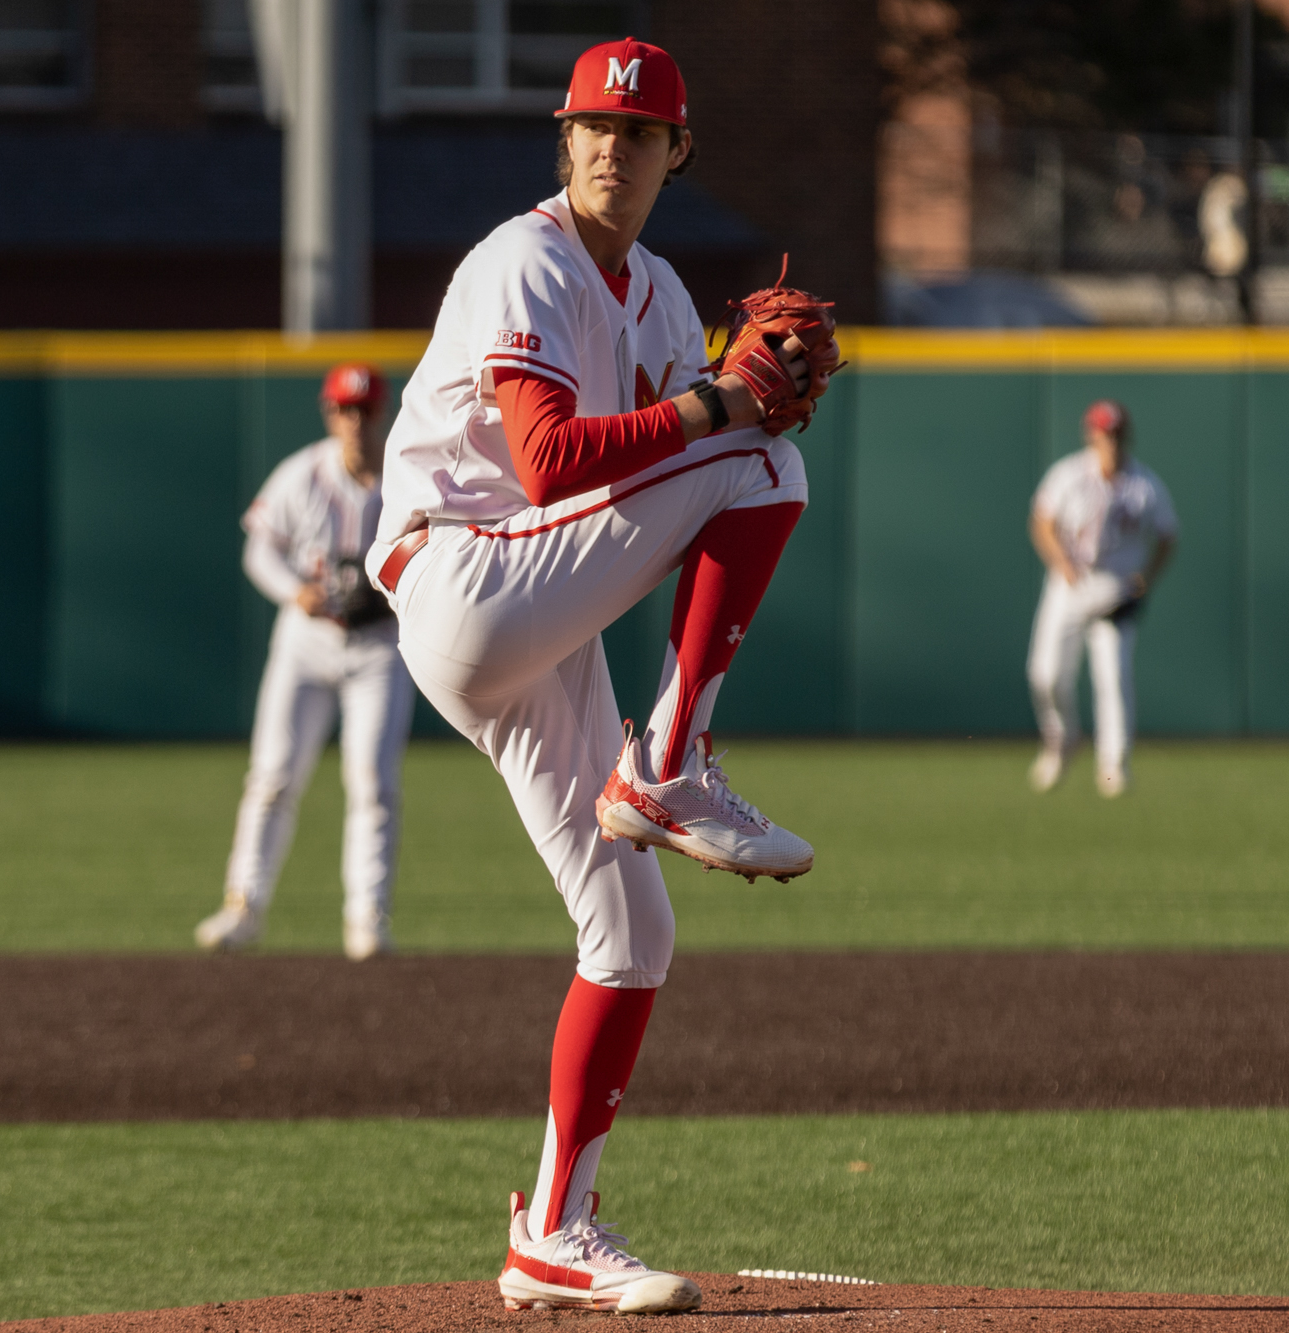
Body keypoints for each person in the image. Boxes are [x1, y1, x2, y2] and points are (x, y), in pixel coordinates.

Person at [364, 37, 821, 1317]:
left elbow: (663, 475)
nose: (614, 149)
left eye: (640, 133)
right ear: (563, 141)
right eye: (594, 129)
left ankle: (552, 1231)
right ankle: (667, 764)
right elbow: (555, 462)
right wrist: (728, 409)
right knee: (761, 465)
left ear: (678, 152)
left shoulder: (660, 291)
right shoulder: (525, 258)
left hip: (534, 613)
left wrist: (740, 398)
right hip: (462, 573)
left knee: (629, 931)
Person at [195, 363, 416, 961]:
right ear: (329, 413)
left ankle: (367, 918)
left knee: (373, 782)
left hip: (379, 645)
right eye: (343, 409)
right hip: (306, 643)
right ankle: (243, 907)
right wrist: (296, 591)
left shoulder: (407, 475)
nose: (353, 420)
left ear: (381, 412)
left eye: (363, 409)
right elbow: (259, 549)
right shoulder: (303, 473)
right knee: (272, 776)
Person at [1026, 399, 1178, 797]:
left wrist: (1147, 578)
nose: (1108, 439)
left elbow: (1168, 535)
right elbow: (1041, 521)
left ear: (1125, 436)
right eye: (1102, 431)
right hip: (1070, 585)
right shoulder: (1068, 474)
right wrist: (1060, 560)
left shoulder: (1144, 484)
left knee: (1113, 678)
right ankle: (1062, 741)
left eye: (1114, 432)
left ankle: (1113, 766)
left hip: (1115, 590)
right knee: (1045, 674)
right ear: (1090, 434)